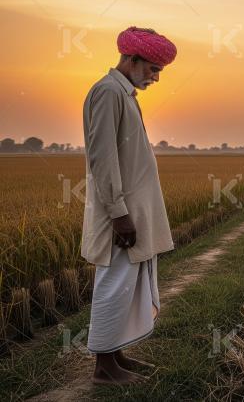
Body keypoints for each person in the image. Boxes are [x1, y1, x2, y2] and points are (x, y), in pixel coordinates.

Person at [81, 26, 177, 384]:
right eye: (153, 69)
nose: (155, 78)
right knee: (114, 284)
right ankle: (104, 369)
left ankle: (116, 355)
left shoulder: (124, 93)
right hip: (119, 215)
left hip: (130, 213)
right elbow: (102, 158)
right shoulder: (108, 92)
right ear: (131, 59)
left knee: (126, 283)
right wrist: (120, 215)